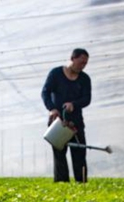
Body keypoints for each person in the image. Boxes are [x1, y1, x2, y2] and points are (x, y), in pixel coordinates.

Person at [41, 48, 92, 183]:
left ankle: (81, 183)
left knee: (79, 152)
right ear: (72, 58)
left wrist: (74, 104)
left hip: (76, 123)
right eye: (81, 62)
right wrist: (52, 108)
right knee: (59, 153)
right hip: (57, 122)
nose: (83, 66)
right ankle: (62, 183)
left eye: (85, 63)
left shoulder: (85, 79)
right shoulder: (56, 74)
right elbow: (45, 92)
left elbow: (87, 99)